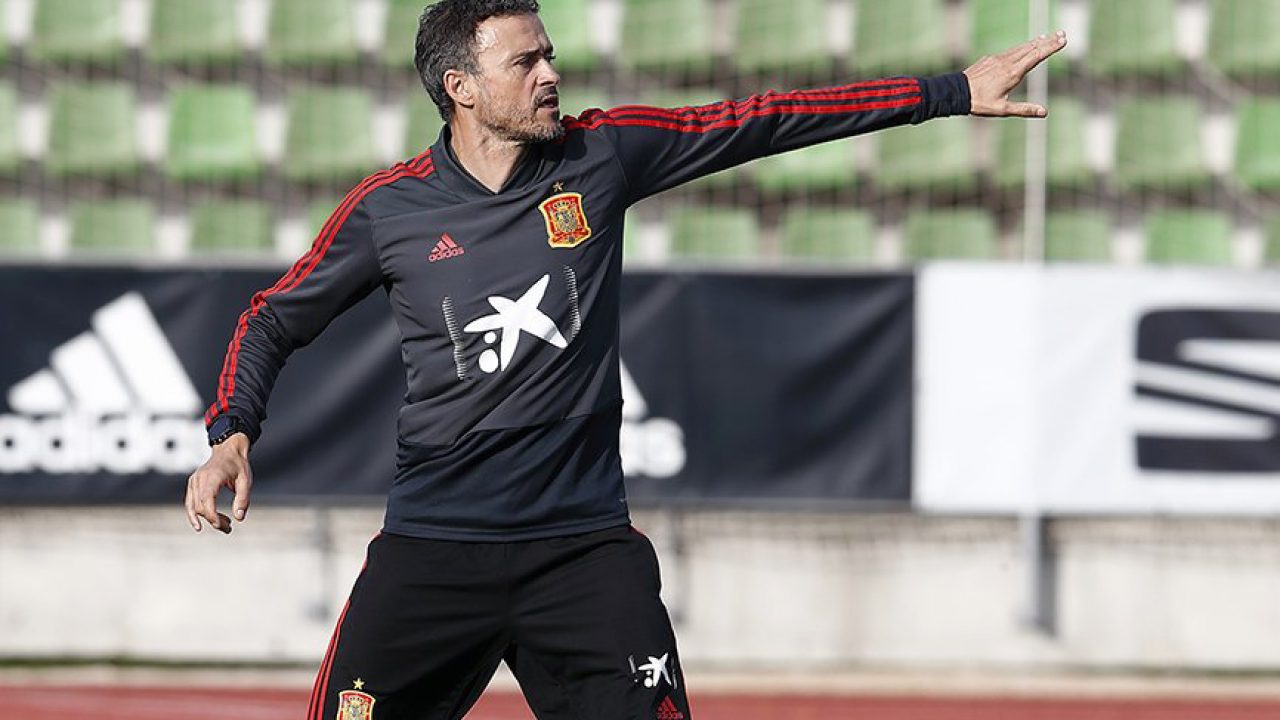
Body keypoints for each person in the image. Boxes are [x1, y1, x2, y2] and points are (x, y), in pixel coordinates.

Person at [185, 1, 1066, 718]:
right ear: (461, 87)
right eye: (525, 62)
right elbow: (271, 320)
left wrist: (949, 91)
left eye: (550, 54)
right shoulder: (390, 210)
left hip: (582, 551)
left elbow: (761, 121)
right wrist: (231, 433)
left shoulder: (601, 153)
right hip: (434, 549)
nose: (550, 73)